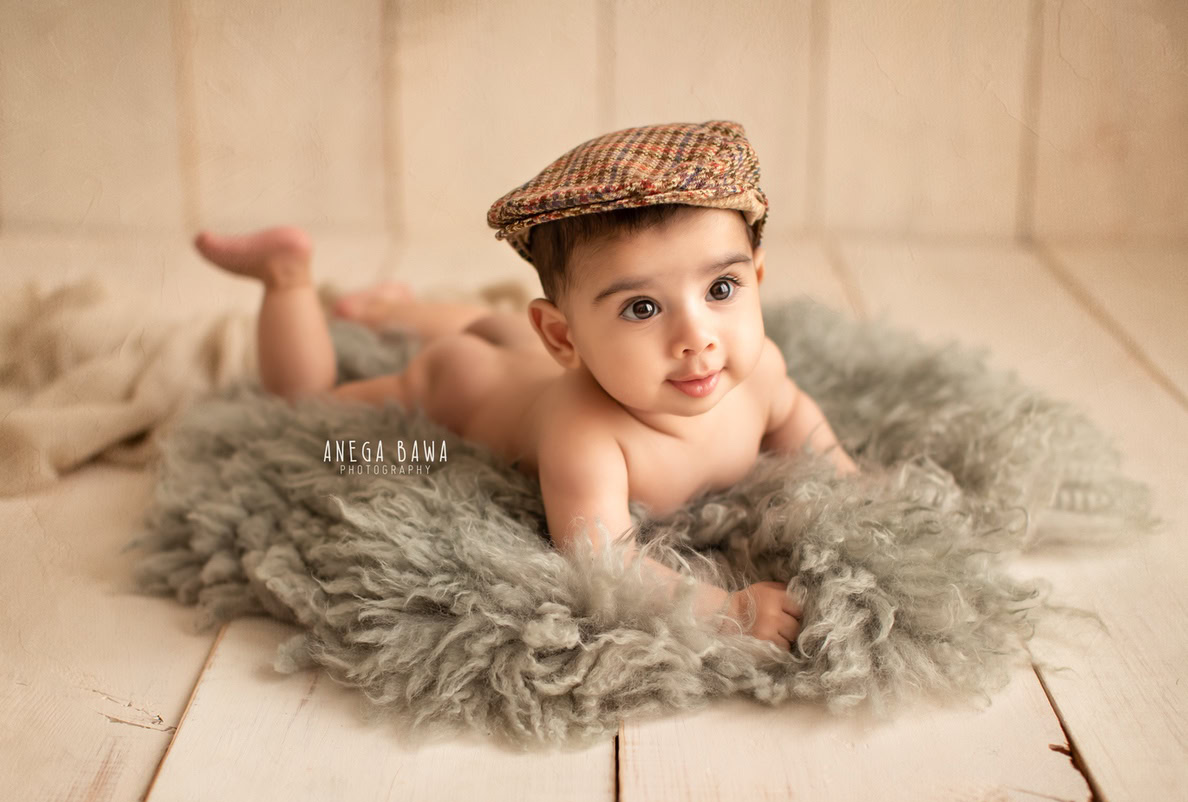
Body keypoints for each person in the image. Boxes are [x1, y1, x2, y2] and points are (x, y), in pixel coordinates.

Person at [193, 120, 858, 651]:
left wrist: (849, 477)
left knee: (494, 323)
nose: (697, 337)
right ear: (564, 337)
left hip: (525, 349)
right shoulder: (587, 434)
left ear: (756, 279)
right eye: (642, 308)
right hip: (469, 383)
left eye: (721, 289)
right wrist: (726, 609)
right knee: (311, 404)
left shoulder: (761, 367)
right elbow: (605, 559)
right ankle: (287, 279)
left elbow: (794, 414)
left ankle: (395, 309)